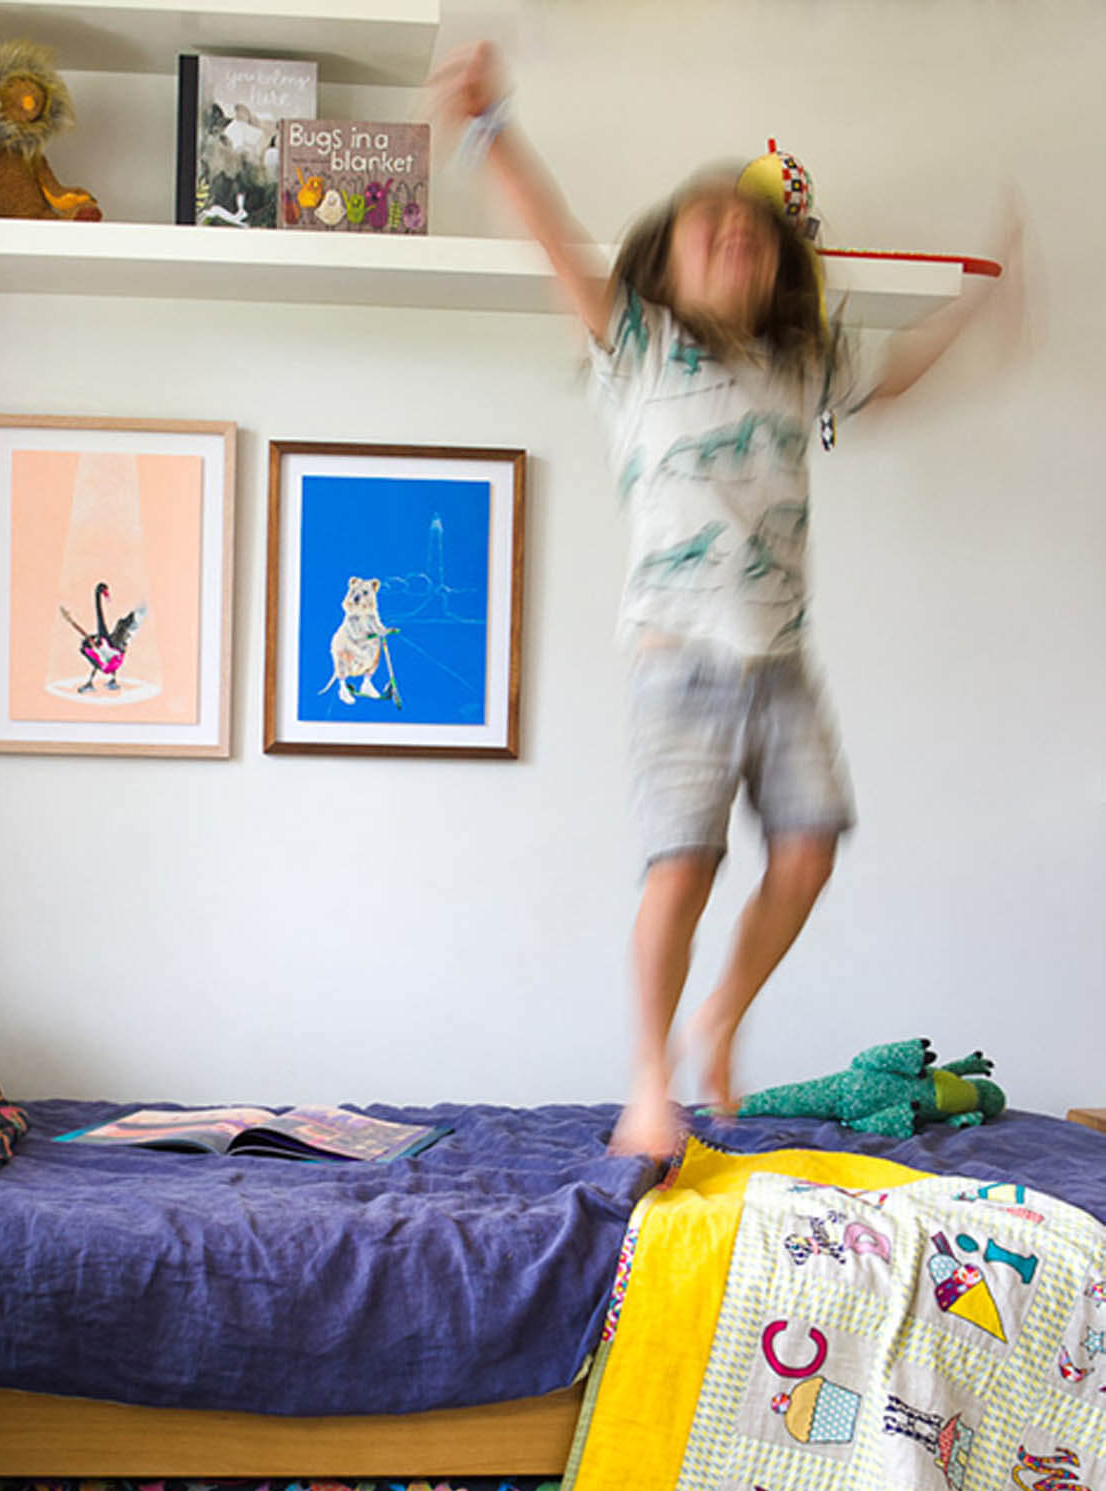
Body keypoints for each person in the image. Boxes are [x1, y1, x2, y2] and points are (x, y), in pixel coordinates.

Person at [426, 42, 1015, 1161]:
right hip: (679, 658)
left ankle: (722, 1013)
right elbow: (552, 232)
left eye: (752, 234)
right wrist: (489, 126)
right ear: (664, 265)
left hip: (783, 660)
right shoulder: (635, 346)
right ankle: (649, 1079)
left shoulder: (798, 363)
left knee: (807, 851)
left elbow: (891, 378)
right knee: (683, 864)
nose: (734, 238)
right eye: (709, 229)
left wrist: (984, 314)